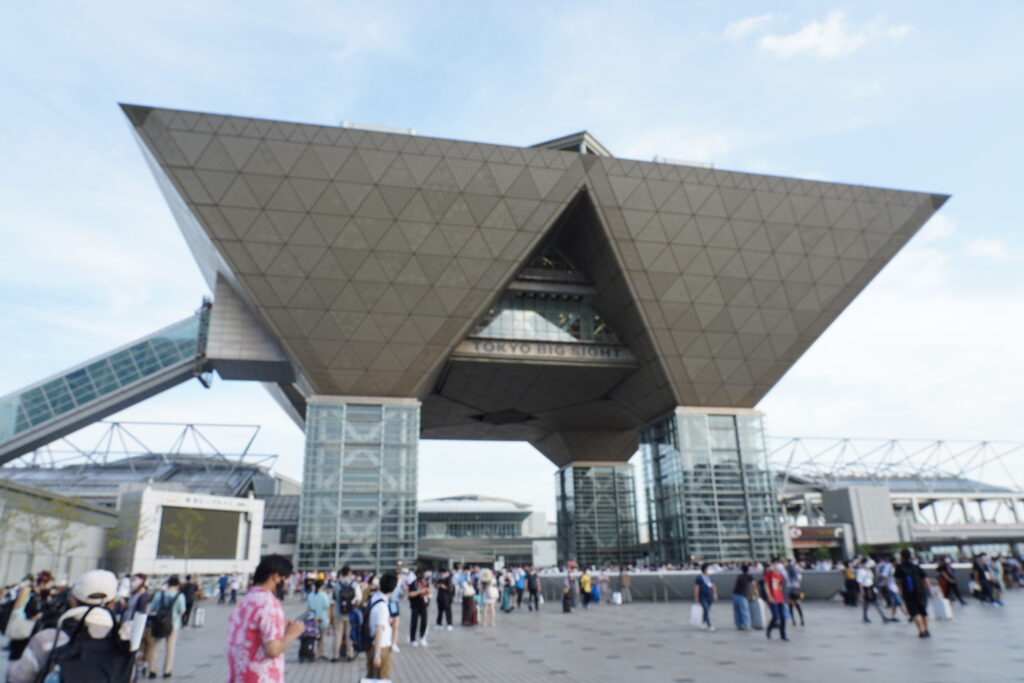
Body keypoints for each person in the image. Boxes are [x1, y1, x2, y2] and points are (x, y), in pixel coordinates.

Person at [227, 554, 305, 683]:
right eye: (284, 578)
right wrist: (292, 634)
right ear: (275, 577)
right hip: (261, 677)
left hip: (240, 676)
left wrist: (280, 627)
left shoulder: (245, 601)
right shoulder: (269, 603)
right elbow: (272, 650)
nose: (285, 584)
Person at [147, 576, 187, 678]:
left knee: (155, 647)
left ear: (168, 584)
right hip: (173, 624)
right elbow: (182, 611)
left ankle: (152, 670)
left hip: (159, 623)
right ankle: (167, 671)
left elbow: (152, 608)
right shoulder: (180, 596)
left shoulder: (159, 594)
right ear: (177, 585)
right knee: (170, 648)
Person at [894, 548, 931, 638]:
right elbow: (926, 579)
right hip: (920, 591)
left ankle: (921, 631)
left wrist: (900, 589)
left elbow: (897, 580)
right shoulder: (916, 566)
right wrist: (929, 591)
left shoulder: (899, 567)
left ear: (901, 557)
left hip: (908, 592)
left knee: (915, 612)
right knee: (923, 611)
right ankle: (927, 630)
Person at [367, 573, 398, 681]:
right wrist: (377, 654)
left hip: (372, 644)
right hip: (381, 646)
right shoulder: (382, 606)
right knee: (382, 677)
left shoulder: (374, 598)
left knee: (372, 676)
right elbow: (379, 629)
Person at [332, 565, 362, 662]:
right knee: (349, 634)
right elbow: (359, 597)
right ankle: (349, 654)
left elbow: (335, 598)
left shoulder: (337, 585)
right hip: (351, 612)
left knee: (338, 634)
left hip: (338, 612)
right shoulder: (354, 584)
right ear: (349, 573)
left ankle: (335, 655)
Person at [856, 559, 892, 624]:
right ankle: (883, 617)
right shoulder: (860, 571)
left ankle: (865, 617)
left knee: (866, 604)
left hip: (871, 588)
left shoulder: (869, 570)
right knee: (875, 603)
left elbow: (873, 578)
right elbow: (860, 582)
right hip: (866, 589)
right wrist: (862, 591)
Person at [763, 559, 789, 642]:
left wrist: (783, 597)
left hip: (779, 598)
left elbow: (780, 586)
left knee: (783, 617)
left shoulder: (779, 575)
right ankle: (770, 628)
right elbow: (766, 585)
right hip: (772, 597)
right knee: (776, 616)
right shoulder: (768, 574)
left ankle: (783, 635)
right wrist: (769, 596)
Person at [305, 580, 330, 660]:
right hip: (322, 618)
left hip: (312, 619)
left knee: (312, 637)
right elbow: (327, 606)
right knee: (322, 637)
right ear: (322, 586)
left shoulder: (311, 595)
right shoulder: (324, 595)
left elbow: (308, 607)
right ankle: (320, 653)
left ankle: (312, 652)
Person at [407, 569, 430, 647]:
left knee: (424, 621)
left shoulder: (425, 583)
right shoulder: (413, 584)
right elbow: (410, 594)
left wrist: (428, 591)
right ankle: (412, 639)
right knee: (414, 622)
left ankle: (422, 637)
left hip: (424, 604)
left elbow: (429, 591)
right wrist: (419, 591)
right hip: (415, 605)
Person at [732, 564, 757, 630]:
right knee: (744, 611)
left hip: (735, 594)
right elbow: (754, 586)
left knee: (737, 611)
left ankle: (739, 625)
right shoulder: (749, 576)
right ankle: (747, 625)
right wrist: (756, 594)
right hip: (742, 595)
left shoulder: (739, 576)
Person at [693, 563, 717, 631]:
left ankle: (703, 623)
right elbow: (697, 588)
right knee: (706, 610)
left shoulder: (709, 577)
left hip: (710, 596)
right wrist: (696, 597)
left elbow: (713, 586)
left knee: (706, 611)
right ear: (705, 569)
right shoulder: (699, 578)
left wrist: (715, 594)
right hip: (702, 597)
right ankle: (709, 625)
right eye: (708, 569)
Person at [784, 559, 804, 627]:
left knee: (791, 607)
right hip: (796, 590)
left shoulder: (787, 574)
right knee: (798, 606)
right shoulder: (797, 574)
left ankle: (793, 621)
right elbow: (800, 580)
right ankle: (802, 620)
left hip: (790, 591)